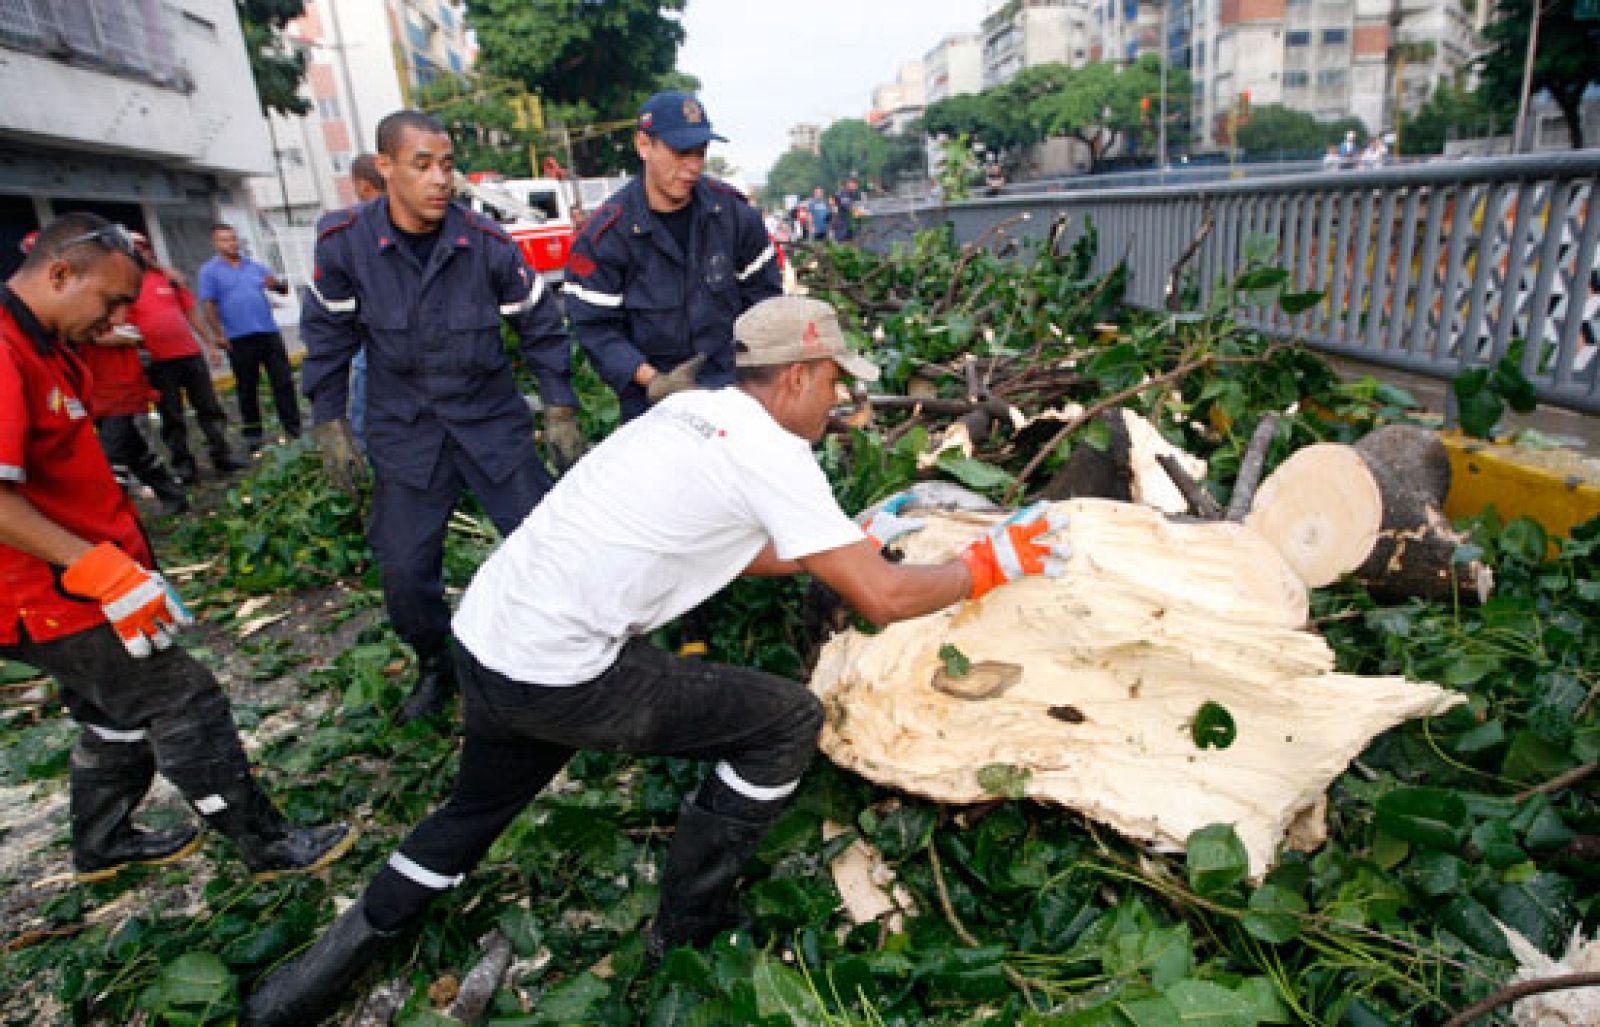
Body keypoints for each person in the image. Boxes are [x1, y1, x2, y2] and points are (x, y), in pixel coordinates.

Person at [241, 295, 1072, 1026]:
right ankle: (687, 927)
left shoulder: (690, 414)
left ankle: (308, 984)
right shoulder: (774, 452)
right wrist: (992, 562)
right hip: (561, 668)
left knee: (471, 813)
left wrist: (847, 540)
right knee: (786, 723)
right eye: (832, 380)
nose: (839, 398)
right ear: (795, 377)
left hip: (490, 635)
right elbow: (883, 601)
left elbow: (727, 550)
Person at [0, 213, 354, 884]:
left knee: (114, 711)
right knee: (181, 697)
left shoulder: (41, 338)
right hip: (45, 593)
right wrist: (100, 569)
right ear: (58, 274)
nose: (116, 315)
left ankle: (101, 842)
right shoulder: (3, 348)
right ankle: (264, 843)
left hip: (74, 580)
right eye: (109, 301)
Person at [299, 110, 583, 723]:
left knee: (546, 549)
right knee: (403, 570)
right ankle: (436, 664)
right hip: (406, 434)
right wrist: (330, 422)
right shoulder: (346, 244)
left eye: (447, 165)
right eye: (422, 165)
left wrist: (559, 407)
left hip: (491, 425)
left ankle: (565, 663)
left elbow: (540, 325)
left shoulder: (484, 243)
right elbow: (326, 337)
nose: (439, 180)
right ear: (386, 167)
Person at [564, 90, 781, 425]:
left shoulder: (735, 217)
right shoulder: (607, 237)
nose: (693, 167)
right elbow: (597, 330)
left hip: (735, 400)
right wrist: (653, 381)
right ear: (643, 146)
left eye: (700, 153)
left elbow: (766, 305)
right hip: (652, 407)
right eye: (681, 153)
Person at [127, 232, 242, 484]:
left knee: (209, 408)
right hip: (157, 361)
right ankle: (184, 466)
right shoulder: (125, 285)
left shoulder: (168, 279)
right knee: (171, 417)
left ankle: (221, 455)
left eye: (144, 245)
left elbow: (190, 313)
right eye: (135, 246)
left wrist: (210, 344)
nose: (141, 251)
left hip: (189, 354)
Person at [198, 224, 303, 450]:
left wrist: (276, 284)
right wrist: (218, 333)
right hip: (238, 337)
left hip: (268, 332)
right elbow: (208, 304)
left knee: (283, 382)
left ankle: (293, 428)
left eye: (234, 239)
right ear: (216, 243)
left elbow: (282, 290)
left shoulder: (254, 266)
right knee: (247, 387)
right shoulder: (210, 271)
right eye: (225, 240)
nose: (231, 243)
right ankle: (254, 434)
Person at [345, 154, 386, 453]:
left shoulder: (354, 227)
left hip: (373, 328)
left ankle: (364, 448)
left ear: (362, 185)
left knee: (365, 375)